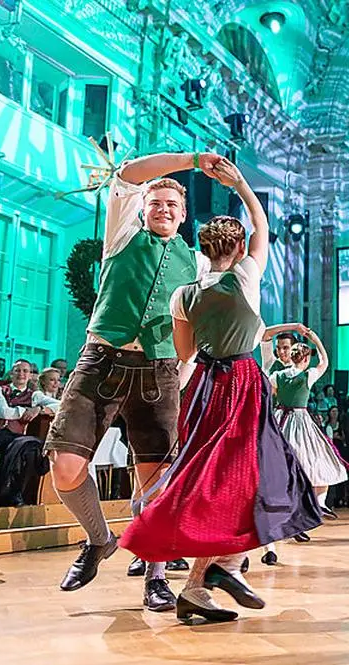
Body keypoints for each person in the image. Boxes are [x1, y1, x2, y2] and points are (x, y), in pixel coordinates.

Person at [119, 158, 323, 622]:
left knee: (212, 482)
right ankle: (220, 570)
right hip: (240, 384)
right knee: (253, 480)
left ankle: (205, 580)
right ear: (237, 246)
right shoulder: (246, 276)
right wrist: (242, 184)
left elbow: (186, 354)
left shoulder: (183, 294)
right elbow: (263, 225)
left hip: (203, 385)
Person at [42, 151, 226, 609]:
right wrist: (191, 160)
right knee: (64, 465)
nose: (164, 209)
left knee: (155, 481)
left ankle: (156, 577)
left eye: (173, 206)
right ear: (142, 208)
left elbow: (196, 323)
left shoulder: (198, 264)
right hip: (101, 361)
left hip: (159, 371)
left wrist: (183, 369)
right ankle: (99, 538)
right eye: (157, 202)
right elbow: (125, 173)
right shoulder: (121, 234)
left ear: (185, 217)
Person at [264, 329, 347, 519]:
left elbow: (272, 391)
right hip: (300, 420)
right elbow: (325, 361)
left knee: (285, 462)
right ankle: (319, 502)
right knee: (318, 457)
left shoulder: (278, 375)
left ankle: (294, 509)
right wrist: (315, 338)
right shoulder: (308, 375)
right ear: (306, 359)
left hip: (280, 418)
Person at [0, 359, 52, 509]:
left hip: (16, 436)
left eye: (25, 371)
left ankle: (15, 492)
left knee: (30, 446)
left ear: (31, 375)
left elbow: (60, 405)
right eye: (17, 370)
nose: (21, 374)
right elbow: (3, 412)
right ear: (11, 373)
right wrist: (26, 411)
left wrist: (39, 409)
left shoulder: (35, 395)